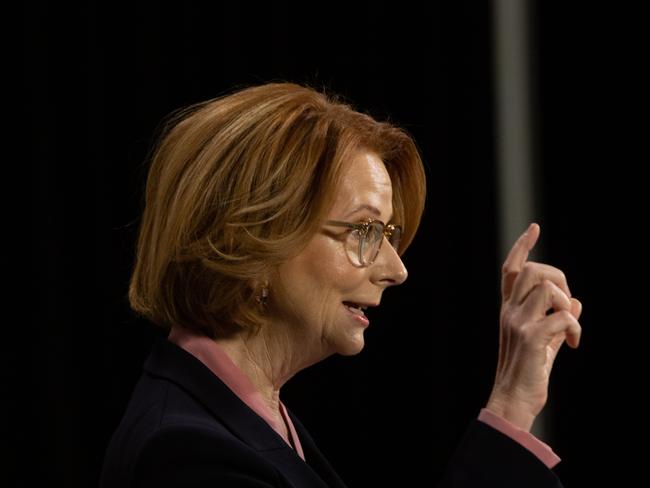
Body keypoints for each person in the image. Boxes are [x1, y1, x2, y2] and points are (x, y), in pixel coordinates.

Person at [100, 82, 582, 488]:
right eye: (364, 232)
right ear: (254, 238)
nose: (396, 270)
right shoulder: (188, 455)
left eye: (387, 235)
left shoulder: (248, 414)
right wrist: (510, 407)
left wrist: (514, 400)